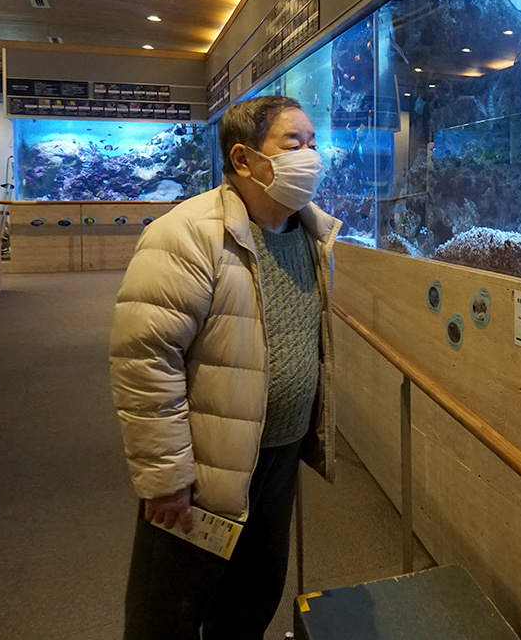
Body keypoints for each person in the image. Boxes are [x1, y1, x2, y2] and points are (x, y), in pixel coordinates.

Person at [109, 95, 341, 639]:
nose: (310, 155)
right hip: (209, 461)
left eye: (313, 143)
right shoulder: (186, 234)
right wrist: (166, 477)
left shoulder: (312, 234)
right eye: (294, 143)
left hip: (278, 453)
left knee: (253, 597)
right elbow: (145, 361)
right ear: (243, 159)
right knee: (169, 611)